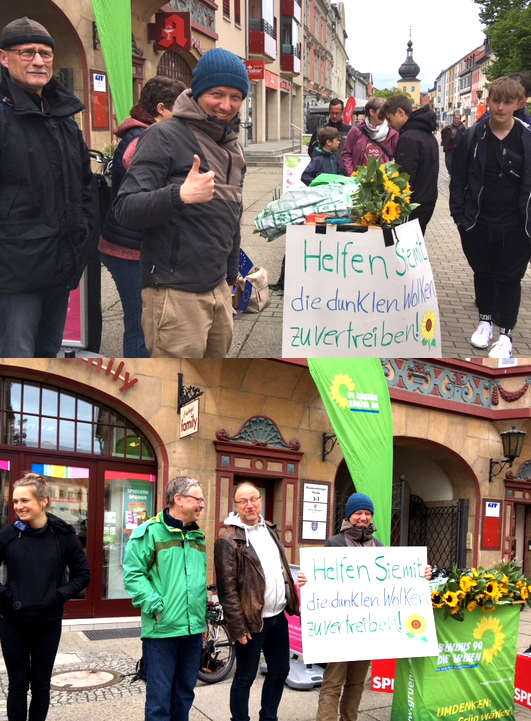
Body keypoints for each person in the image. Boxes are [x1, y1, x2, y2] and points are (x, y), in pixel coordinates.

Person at [114, 48, 248, 358]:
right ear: (198, 90)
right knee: (178, 387)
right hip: (175, 291)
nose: (226, 105)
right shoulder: (164, 135)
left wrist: (229, 278)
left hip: (217, 287)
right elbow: (126, 208)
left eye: (236, 97)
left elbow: (231, 217)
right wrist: (180, 196)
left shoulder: (232, 147)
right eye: (217, 94)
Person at [0, 17, 93, 358]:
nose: (39, 61)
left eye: (45, 53)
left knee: (48, 359)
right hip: (14, 278)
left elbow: (83, 184)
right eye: (27, 52)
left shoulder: (62, 115)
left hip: (60, 267)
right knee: (16, 363)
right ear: (4, 57)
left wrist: (84, 235)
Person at [301, 492, 431, 721]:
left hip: (367, 629)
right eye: (358, 513)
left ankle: (349, 718)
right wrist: (307, 580)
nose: (363, 517)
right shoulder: (335, 543)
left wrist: (419, 574)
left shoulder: (379, 546)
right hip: (339, 627)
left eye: (367, 513)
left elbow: (394, 581)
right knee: (333, 682)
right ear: (349, 516)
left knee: (356, 682)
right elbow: (322, 579)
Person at [99, 76, 185, 358]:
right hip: (128, 249)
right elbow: (145, 199)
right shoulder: (143, 140)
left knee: (144, 321)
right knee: (140, 325)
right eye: (179, 109)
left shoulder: (144, 134)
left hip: (131, 244)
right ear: (161, 109)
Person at [450, 76, 531, 359]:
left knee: (510, 279)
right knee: (483, 273)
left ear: (519, 104)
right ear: (489, 101)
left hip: (518, 225)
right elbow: (457, 176)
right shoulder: (473, 136)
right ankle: (485, 322)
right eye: (496, 100)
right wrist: (459, 215)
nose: (500, 107)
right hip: (478, 221)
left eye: (507, 102)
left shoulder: (527, 138)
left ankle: (506, 333)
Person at [0, 473, 90, 721]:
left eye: (25, 500)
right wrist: (6, 595)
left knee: (41, 686)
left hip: (48, 622)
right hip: (13, 621)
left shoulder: (63, 536)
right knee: (17, 686)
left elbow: (83, 576)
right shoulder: (8, 535)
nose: (19, 506)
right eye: (15, 501)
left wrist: (58, 595)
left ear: (44, 502)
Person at [213, 481, 301, 721]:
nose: (250, 505)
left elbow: (279, 570)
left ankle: (268, 717)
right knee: (245, 676)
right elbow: (227, 589)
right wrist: (237, 628)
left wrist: (294, 585)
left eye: (254, 499)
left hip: (278, 618)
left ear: (260, 501)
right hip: (251, 622)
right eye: (244, 501)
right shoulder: (227, 539)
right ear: (236, 506)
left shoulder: (271, 529)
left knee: (280, 670)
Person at [123, 476, 207, 721]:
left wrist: (202, 618)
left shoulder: (197, 535)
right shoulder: (149, 531)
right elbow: (133, 575)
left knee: (184, 695)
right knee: (159, 701)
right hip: (162, 631)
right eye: (198, 500)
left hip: (192, 631)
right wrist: (156, 607)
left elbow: (199, 581)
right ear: (179, 499)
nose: (202, 505)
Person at [381, 95, 439, 234]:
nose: (388, 124)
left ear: (401, 112)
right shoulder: (427, 134)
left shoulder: (409, 138)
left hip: (412, 204)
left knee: (403, 245)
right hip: (427, 201)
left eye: (389, 119)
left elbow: (405, 178)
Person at [342, 97, 399, 176]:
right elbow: (346, 154)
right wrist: (352, 174)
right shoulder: (356, 130)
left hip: (384, 181)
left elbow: (397, 157)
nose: (384, 115)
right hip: (360, 180)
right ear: (372, 112)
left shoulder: (392, 132)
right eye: (382, 112)